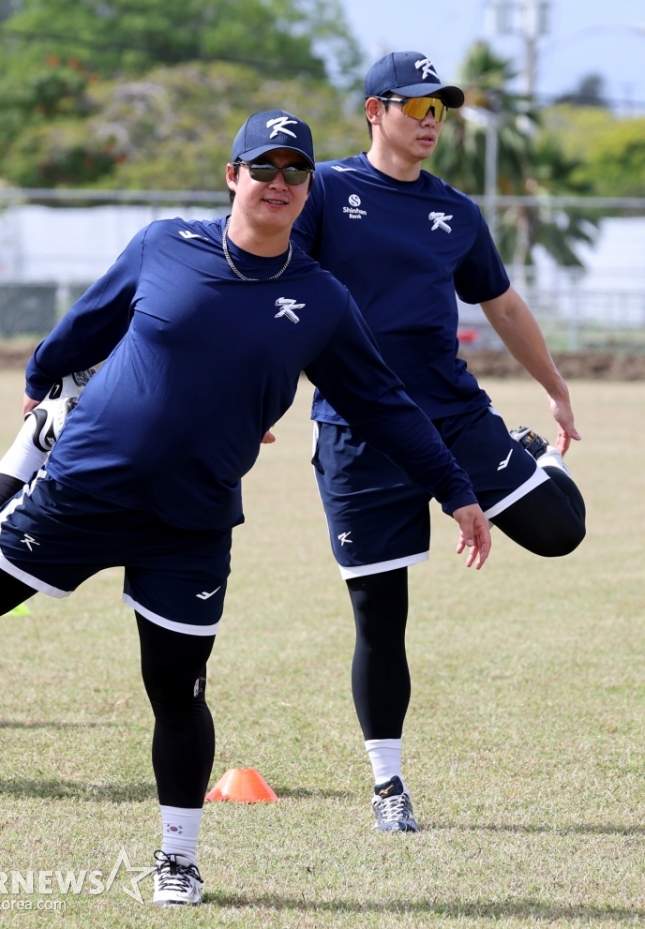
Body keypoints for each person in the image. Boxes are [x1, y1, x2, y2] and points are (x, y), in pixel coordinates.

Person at [0, 110, 492, 906]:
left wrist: (456, 488)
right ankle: (33, 446)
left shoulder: (323, 299)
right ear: (231, 176)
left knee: (178, 686)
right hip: (87, 486)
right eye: (262, 168)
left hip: (191, 521)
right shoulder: (164, 244)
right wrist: (43, 380)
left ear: (308, 190)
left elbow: (384, 404)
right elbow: (84, 327)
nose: (278, 183)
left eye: (294, 172)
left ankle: (178, 856)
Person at [291, 51, 588, 833]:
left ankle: (524, 449)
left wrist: (555, 386)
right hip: (358, 432)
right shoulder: (325, 190)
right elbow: (282, 293)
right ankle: (389, 785)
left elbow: (505, 305)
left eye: (440, 112)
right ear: (374, 110)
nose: (431, 124)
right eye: (416, 108)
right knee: (380, 616)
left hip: (454, 416)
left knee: (562, 530)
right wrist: (261, 394)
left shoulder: (455, 212)